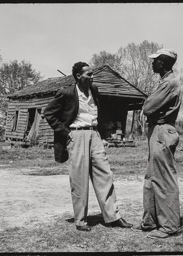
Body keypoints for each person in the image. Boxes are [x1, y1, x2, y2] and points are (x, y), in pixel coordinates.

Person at [44, 61, 132, 232]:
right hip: (76, 135)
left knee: (105, 175)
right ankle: (81, 220)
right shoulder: (67, 93)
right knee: (79, 179)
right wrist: (65, 133)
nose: (92, 77)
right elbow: (49, 113)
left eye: (92, 74)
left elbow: (100, 113)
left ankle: (113, 217)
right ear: (78, 76)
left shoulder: (94, 90)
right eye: (89, 74)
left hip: (94, 135)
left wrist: (103, 135)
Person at [132, 49, 182, 239]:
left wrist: (148, 104)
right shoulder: (165, 82)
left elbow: (147, 107)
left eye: (155, 61)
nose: (152, 64)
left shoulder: (169, 83)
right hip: (157, 131)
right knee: (151, 178)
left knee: (163, 179)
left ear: (163, 63)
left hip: (162, 131)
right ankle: (150, 221)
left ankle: (170, 226)